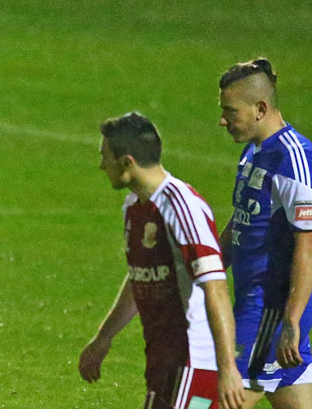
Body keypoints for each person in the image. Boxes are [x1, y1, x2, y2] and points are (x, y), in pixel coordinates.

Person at [79, 112, 244, 409]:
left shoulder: (182, 207)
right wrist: (104, 338)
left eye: (105, 157)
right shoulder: (135, 207)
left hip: (193, 363)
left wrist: (227, 368)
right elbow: (141, 277)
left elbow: (216, 288)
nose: (102, 165)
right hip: (164, 360)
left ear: (127, 163)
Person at [217, 58, 312, 408]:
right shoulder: (253, 152)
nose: (223, 120)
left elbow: (310, 244)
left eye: (230, 111)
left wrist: (291, 320)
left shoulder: (294, 158)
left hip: (270, 312)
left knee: (214, 399)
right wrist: (209, 270)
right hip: (257, 304)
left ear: (260, 108)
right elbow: (243, 219)